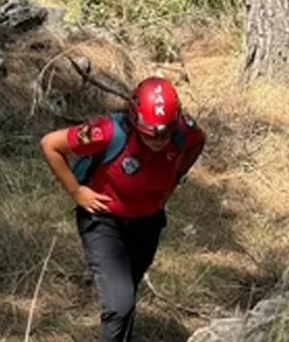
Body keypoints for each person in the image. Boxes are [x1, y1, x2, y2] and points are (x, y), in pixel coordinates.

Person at [39, 77, 205, 342]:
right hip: (103, 221)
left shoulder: (183, 131)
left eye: (165, 133)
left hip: (148, 223)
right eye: (151, 133)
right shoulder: (107, 131)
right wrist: (76, 191)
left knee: (128, 290)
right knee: (119, 304)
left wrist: (176, 178)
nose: (159, 140)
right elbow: (50, 144)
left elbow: (198, 141)